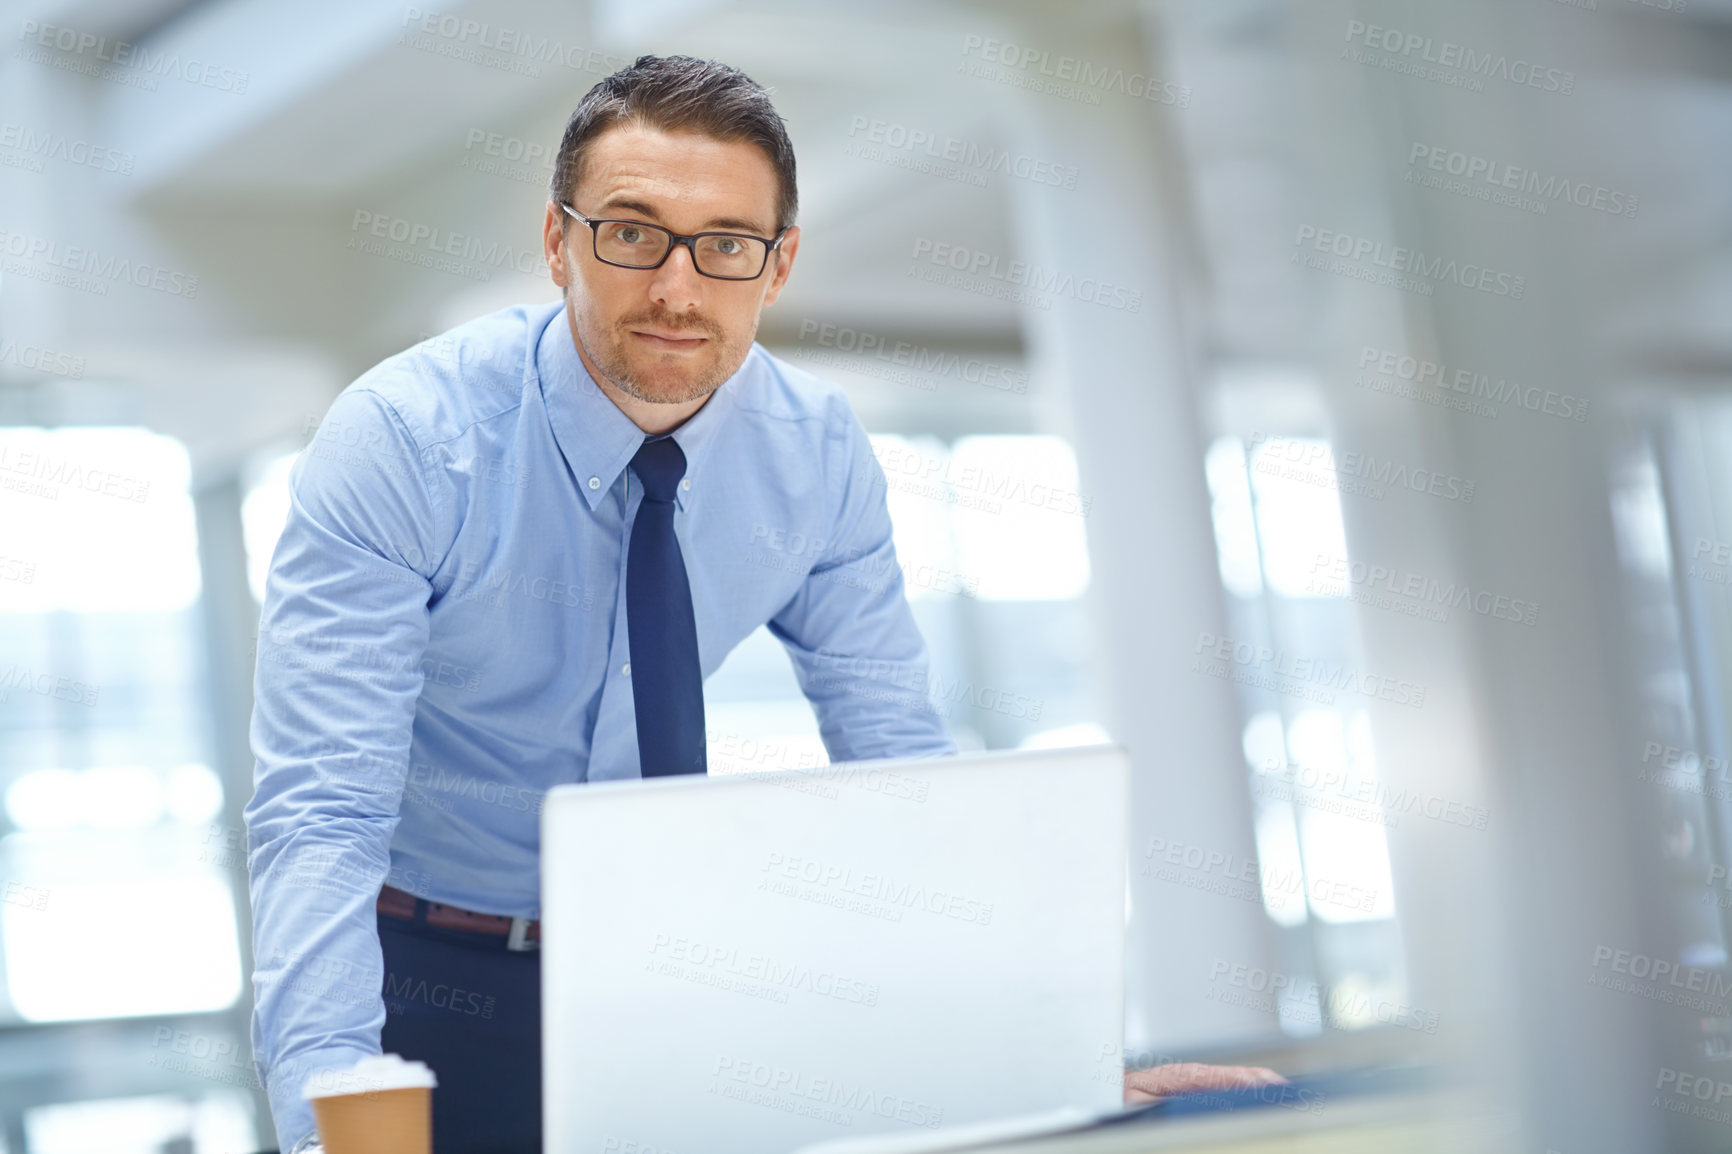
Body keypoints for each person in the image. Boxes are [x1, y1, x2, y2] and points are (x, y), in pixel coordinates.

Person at [244, 54, 1277, 1154]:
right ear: (558, 243)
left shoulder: (815, 452)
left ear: (776, 265)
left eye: (726, 245)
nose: (677, 290)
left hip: (675, 974)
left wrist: (1037, 1064)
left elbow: (899, 774)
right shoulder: (406, 442)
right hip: (425, 977)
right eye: (631, 233)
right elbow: (323, 811)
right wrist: (327, 1122)